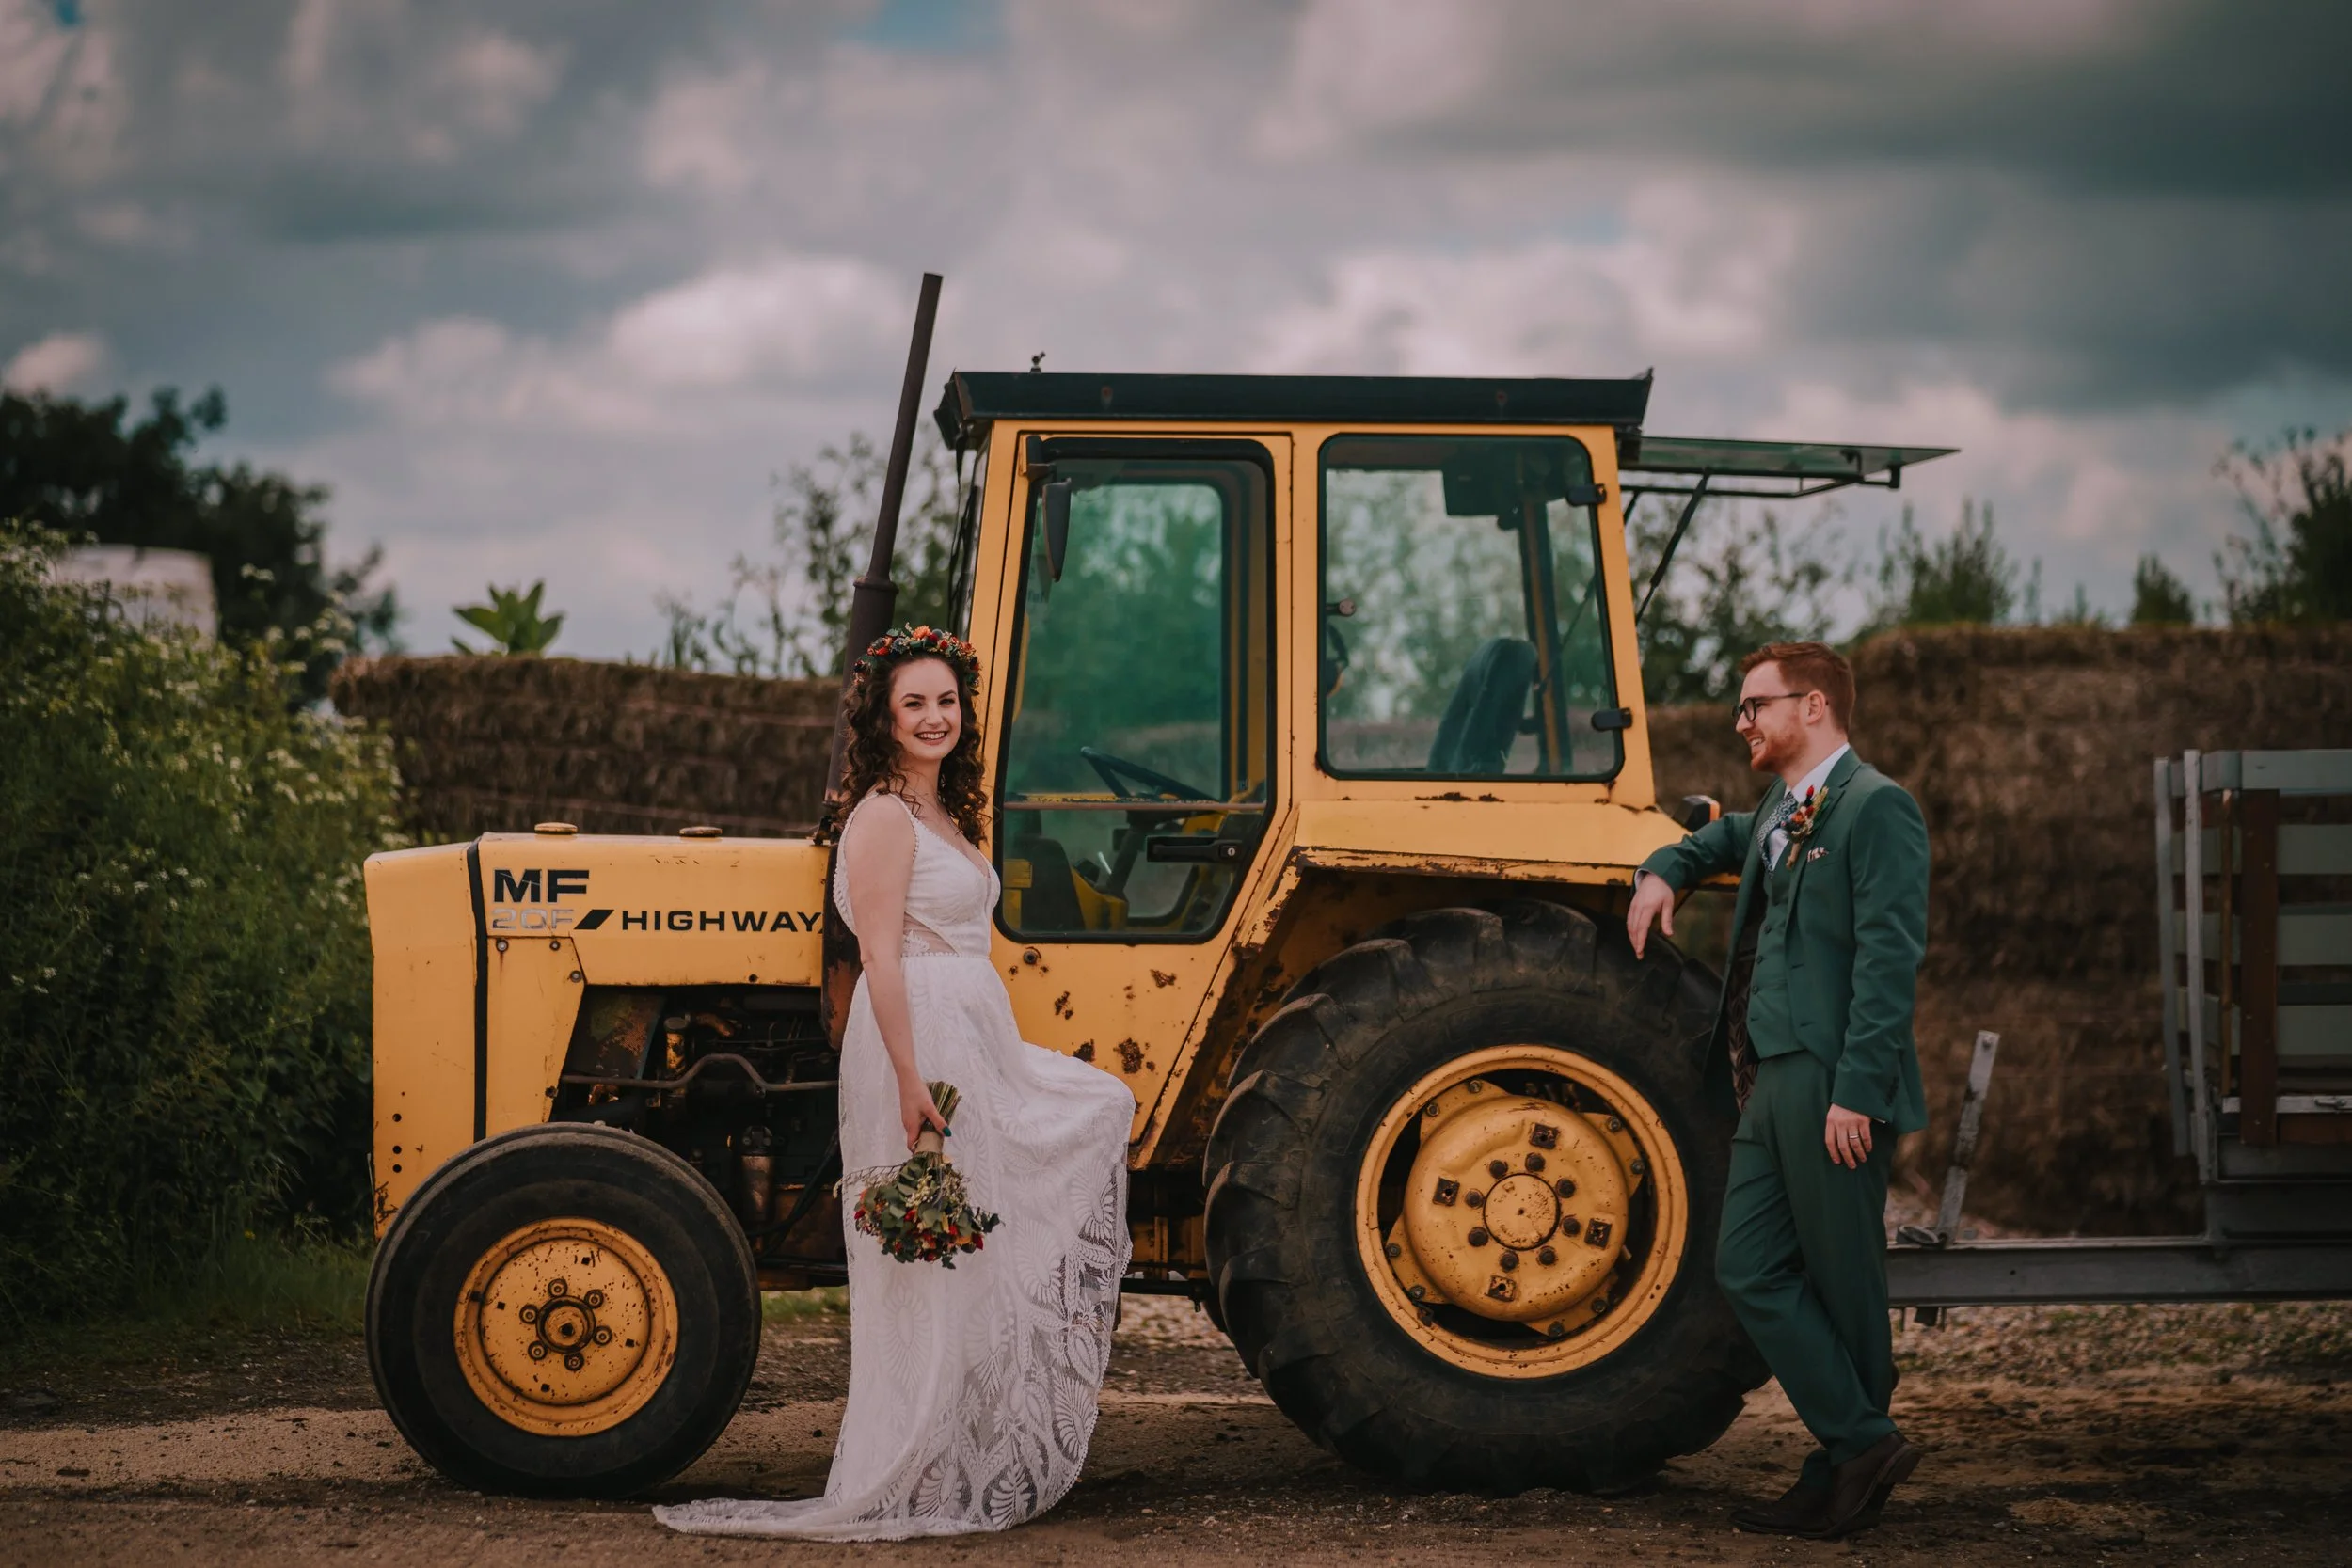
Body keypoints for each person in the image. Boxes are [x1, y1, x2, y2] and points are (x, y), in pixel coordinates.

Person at [656, 626, 1136, 1541]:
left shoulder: (943, 811)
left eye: (946, 700)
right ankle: (918, 1457)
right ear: (881, 717)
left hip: (971, 1032)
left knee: (1058, 1147)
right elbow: (878, 954)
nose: (933, 716)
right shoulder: (881, 816)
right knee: (935, 1253)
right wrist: (914, 1084)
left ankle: (961, 1442)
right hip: (921, 1036)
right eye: (914, 702)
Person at [1626, 641, 1929, 1541]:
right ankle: (1862, 1444)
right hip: (1766, 1076)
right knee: (1747, 1266)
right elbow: (1721, 838)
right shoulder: (1777, 808)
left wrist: (1858, 1090)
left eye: (1755, 704)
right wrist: (1665, 867)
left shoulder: (1878, 806)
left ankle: (1841, 1467)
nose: (1741, 722)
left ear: (1814, 707)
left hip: (1833, 1081)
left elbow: (1889, 960)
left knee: (1844, 1285)